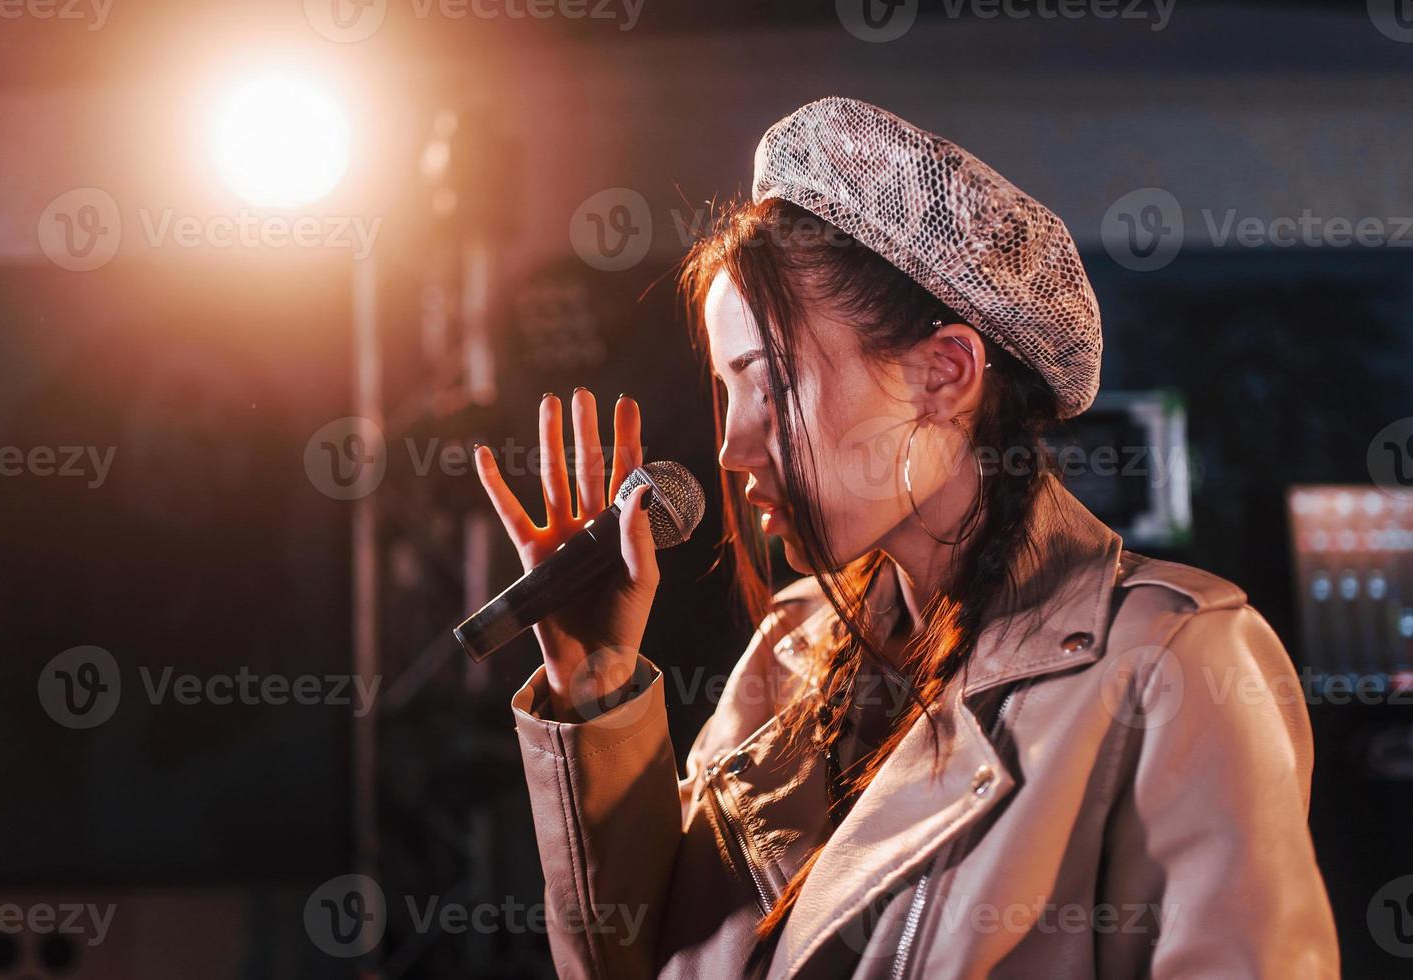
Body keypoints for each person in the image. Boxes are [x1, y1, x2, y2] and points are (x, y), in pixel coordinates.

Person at [473, 97, 1339, 978]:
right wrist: (594, 686)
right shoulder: (794, 646)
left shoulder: (1174, 663)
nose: (732, 448)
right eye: (727, 394)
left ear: (944, 375)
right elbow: (636, 963)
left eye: (769, 385)